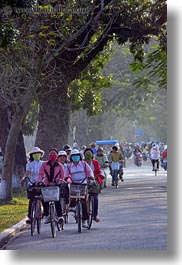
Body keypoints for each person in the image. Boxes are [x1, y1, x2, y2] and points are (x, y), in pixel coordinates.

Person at [64, 149, 94, 228]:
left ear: (79, 156)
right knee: (72, 198)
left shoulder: (84, 164)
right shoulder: (69, 166)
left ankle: (84, 220)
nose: (75, 157)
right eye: (73, 156)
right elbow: (66, 175)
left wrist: (91, 177)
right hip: (74, 183)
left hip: (83, 183)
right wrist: (66, 179)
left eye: (77, 156)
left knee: (84, 201)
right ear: (71, 158)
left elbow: (90, 172)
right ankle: (73, 209)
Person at [38, 148, 65, 224]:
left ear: (57, 155)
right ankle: (46, 215)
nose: (52, 155)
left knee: (57, 200)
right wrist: (39, 181)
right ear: (48, 155)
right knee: (44, 199)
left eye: (54, 153)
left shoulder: (60, 165)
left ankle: (60, 216)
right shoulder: (44, 164)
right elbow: (40, 174)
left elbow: (62, 176)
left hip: (56, 184)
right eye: (51, 153)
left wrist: (59, 182)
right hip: (46, 183)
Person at [21, 147, 44, 224]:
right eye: (34, 154)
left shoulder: (43, 163)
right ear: (32, 155)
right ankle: (30, 216)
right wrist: (24, 178)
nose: (36, 155)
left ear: (41, 154)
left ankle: (45, 212)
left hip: (41, 182)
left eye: (38, 153)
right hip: (32, 183)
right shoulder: (29, 164)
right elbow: (27, 172)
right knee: (32, 199)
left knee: (43, 198)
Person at [84, 147, 102, 222]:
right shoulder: (82, 163)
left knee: (95, 198)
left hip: (94, 182)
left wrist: (99, 176)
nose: (88, 154)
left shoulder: (95, 162)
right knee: (82, 199)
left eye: (89, 153)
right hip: (83, 182)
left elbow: (98, 171)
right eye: (86, 153)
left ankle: (95, 215)